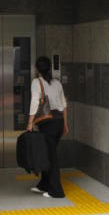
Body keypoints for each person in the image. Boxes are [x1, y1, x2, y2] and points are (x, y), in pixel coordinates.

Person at [27, 56, 68, 198]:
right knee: (47, 153)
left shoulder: (36, 82)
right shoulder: (57, 83)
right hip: (58, 122)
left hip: (48, 124)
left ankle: (56, 191)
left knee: (51, 156)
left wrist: (30, 122)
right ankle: (43, 184)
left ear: (36, 69)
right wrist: (65, 124)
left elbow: (34, 102)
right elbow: (64, 105)